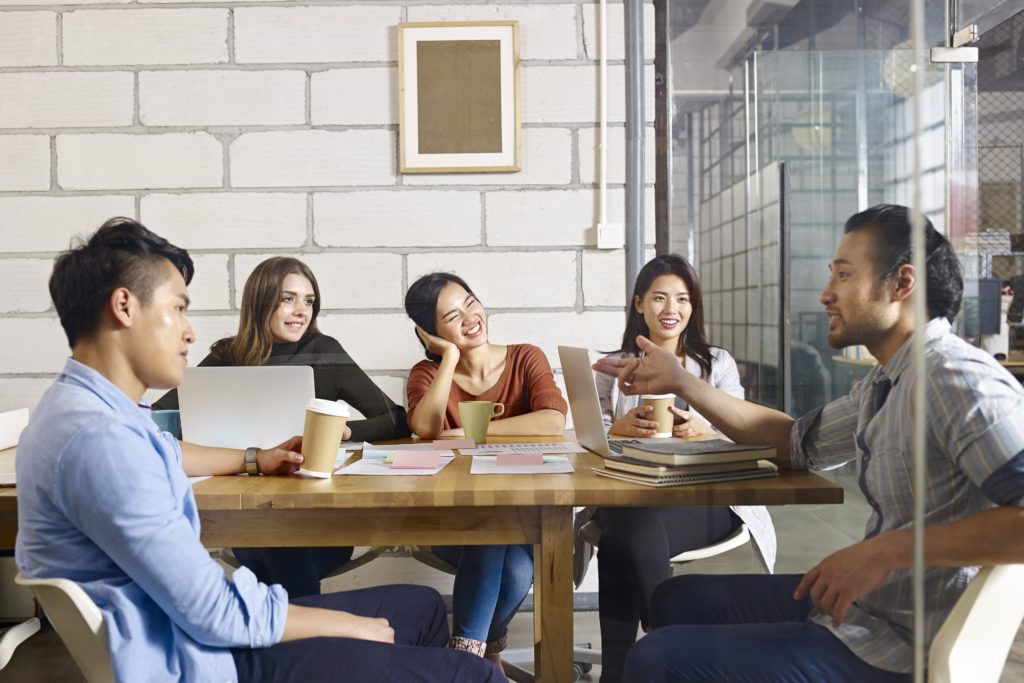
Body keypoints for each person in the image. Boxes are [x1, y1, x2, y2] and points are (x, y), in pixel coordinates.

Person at [16, 218, 500, 683]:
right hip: (205, 660)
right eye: (178, 308)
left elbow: (169, 449)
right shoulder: (103, 442)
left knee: (422, 607)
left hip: (191, 634)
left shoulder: (85, 411)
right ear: (125, 307)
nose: (189, 332)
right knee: (471, 672)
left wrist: (255, 458)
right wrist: (346, 627)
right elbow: (212, 611)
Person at [594, 205, 1024, 682]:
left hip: (899, 643)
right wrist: (682, 382)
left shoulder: (957, 380)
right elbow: (794, 441)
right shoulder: (885, 383)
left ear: (901, 284)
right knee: (673, 599)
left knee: (655, 658)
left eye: (843, 275)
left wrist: (887, 551)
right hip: (868, 606)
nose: (825, 294)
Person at [155, 256, 410, 598]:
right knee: (268, 542)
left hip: (317, 516)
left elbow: (397, 419)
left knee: (273, 549)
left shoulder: (324, 352)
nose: (301, 310)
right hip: (248, 511)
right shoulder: (227, 356)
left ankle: (289, 634)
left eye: (308, 301)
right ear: (262, 301)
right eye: (288, 299)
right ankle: (305, 635)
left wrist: (344, 432)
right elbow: (157, 417)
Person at [583, 254, 776, 683]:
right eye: (659, 298)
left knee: (624, 535)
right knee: (628, 527)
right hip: (630, 497)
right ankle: (663, 656)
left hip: (703, 500)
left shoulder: (715, 364)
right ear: (639, 305)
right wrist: (616, 427)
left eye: (683, 299)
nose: (672, 309)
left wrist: (704, 428)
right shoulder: (612, 366)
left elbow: (742, 434)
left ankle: (630, 665)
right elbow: (588, 442)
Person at [403, 272, 568, 665]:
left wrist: (469, 432)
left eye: (470, 302)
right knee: (499, 543)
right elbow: (425, 427)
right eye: (451, 316)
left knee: (504, 545)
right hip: (452, 521)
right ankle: (480, 659)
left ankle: (465, 664)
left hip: (527, 515)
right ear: (430, 333)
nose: (469, 317)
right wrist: (451, 359)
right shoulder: (427, 374)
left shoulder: (526, 357)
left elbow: (552, 421)